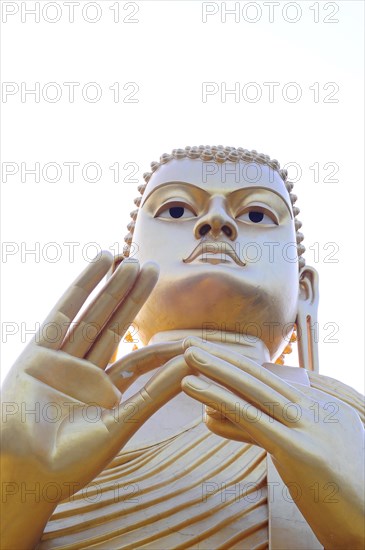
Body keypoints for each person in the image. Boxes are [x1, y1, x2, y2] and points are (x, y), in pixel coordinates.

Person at [1, 146, 364, 550]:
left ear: (304, 289)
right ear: (124, 273)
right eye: (176, 211)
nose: (216, 221)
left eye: (257, 215)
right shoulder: (52, 420)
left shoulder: (347, 422)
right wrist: (15, 497)